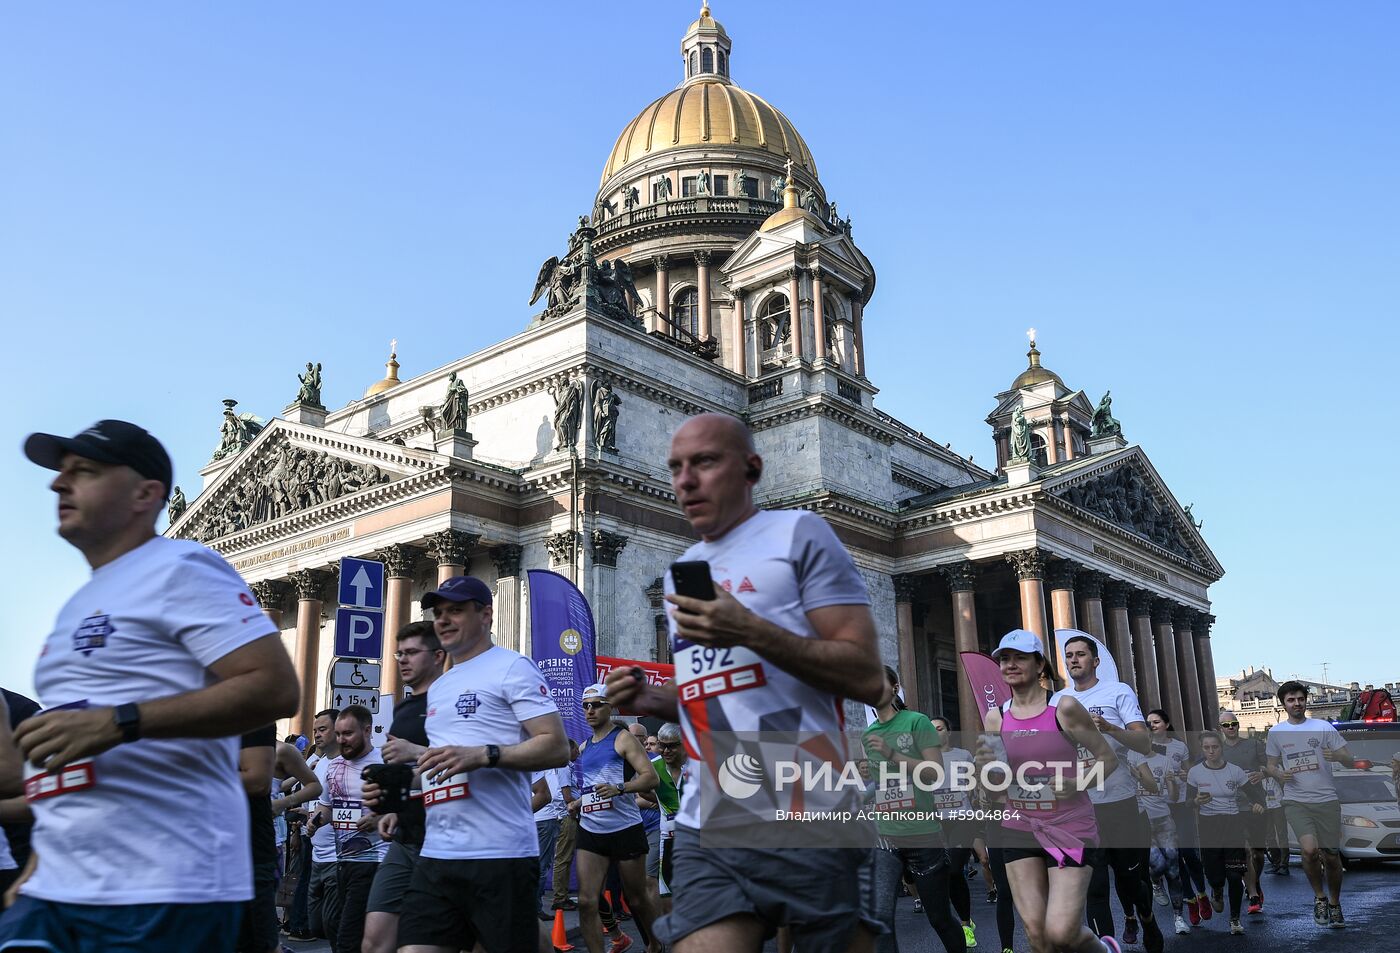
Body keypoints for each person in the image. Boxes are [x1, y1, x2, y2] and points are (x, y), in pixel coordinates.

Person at [0, 419, 299, 952]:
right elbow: (79, 757)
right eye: (61, 472)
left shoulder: (183, 567)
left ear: (146, 493)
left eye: (85, 472)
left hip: (164, 886)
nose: (58, 484)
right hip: (61, 886)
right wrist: (43, 860)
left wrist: (122, 722)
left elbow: (274, 688)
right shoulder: (78, 604)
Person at [605, 412, 885, 953]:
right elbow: (716, 694)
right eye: (676, 467)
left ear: (752, 468)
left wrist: (751, 629)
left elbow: (868, 678)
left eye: (705, 462)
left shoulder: (799, 534)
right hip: (710, 816)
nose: (686, 480)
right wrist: (654, 698)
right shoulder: (683, 570)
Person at [396, 574, 570, 953]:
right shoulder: (441, 684)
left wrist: (484, 755)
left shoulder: (512, 667)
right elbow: (445, 764)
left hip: (499, 853)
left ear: (486, 615)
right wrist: (405, 787)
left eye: (455, 610)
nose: (442, 619)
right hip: (437, 852)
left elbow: (557, 747)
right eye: (438, 612)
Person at [974, 630, 1119, 953]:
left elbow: (1107, 760)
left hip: (1069, 825)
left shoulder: (1063, 707)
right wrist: (984, 769)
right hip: (1018, 828)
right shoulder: (996, 717)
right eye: (1005, 658)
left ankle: (1105, 950)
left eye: (1020, 657)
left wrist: (1076, 783)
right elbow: (994, 782)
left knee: (1061, 932)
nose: (1010, 664)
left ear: (1040, 664)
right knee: (1037, 935)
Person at [1052, 632, 1162, 953]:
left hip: (1121, 803)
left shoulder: (1117, 692)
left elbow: (1144, 743)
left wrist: (1111, 728)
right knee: (1094, 888)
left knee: (1132, 884)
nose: (1074, 659)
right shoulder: (1057, 702)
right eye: (1069, 655)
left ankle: (1147, 918)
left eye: (1080, 654)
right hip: (1081, 810)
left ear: (1095, 661)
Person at [863, 666, 964, 953]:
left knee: (940, 918)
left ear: (895, 688)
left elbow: (934, 773)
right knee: (880, 920)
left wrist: (892, 754)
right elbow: (881, 782)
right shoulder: (869, 734)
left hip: (922, 834)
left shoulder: (917, 722)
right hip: (885, 838)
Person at [360, 622, 446, 953]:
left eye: (411, 653)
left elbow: (465, 765)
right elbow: (407, 775)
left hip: (445, 841)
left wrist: (416, 755)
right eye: (399, 653)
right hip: (406, 837)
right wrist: (393, 808)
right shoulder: (404, 710)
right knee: (374, 942)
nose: (402, 660)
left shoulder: (452, 703)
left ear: (438, 656)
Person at [573, 685, 660, 953]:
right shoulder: (584, 747)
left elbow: (651, 778)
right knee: (587, 901)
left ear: (610, 707)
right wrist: (578, 802)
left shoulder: (622, 738)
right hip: (591, 829)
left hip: (624, 828)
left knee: (635, 898)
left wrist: (620, 787)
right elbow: (592, 788)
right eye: (586, 705)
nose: (590, 710)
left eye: (597, 704)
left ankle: (655, 945)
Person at [1265, 680, 1354, 929]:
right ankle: (1320, 897)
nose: (1297, 704)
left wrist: (1337, 755)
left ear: (1306, 700)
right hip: (1296, 800)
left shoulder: (1323, 727)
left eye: (1300, 699)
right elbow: (1271, 765)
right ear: (1283, 704)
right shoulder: (1276, 733)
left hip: (1326, 799)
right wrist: (1277, 774)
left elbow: (1350, 759)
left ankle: (1335, 903)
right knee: (1309, 850)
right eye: (1291, 700)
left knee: (1332, 857)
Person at [310, 705, 389, 953]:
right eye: (339, 734)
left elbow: (410, 805)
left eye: (348, 734)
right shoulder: (333, 767)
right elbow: (327, 807)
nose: (341, 740)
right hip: (341, 861)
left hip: (376, 860)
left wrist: (380, 818)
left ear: (367, 731)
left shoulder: (385, 762)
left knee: (348, 936)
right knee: (335, 927)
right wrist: (315, 821)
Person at [1186, 730, 1265, 935]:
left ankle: (1235, 919)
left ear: (1221, 748)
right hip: (1209, 826)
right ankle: (1217, 890)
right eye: (1207, 748)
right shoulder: (1195, 773)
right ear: (1202, 749)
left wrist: (1258, 804)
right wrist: (1195, 802)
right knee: (1216, 876)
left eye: (1215, 747)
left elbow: (1255, 794)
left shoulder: (1235, 771)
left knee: (1234, 873)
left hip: (1233, 825)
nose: (1211, 751)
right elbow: (1187, 802)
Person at [929, 714, 990, 950]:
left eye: (939, 728)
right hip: (936, 821)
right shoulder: (923, 758)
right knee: (944, 873)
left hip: (962, 817)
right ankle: (963, 919)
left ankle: (965, 925)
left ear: (948, 731)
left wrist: (979, 804)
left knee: (955, 869)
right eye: (931, 729)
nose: (935, 732)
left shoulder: (963, 756)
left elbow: (976, 783)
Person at [1144, 708, 1207, 926]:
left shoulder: (1179, 747)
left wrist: (1184, 774)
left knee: (1189, 852)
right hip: (1160, 807)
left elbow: (1191, 772)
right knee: (1175, 858)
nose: (1152, 725)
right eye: (1149, 722)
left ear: (1167, 724)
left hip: (1180, 804)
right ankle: (1189, 903)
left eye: (1157, 721)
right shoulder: (1144, 748)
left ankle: (1202, 893)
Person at [1123, 735, 1188, 935]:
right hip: (1142, 821)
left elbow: (1174, 797)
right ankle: (1155, 882)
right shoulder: (1126, 759)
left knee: (1174, 869)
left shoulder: (1163, 760)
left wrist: (1172, 783)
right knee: (1158, 864)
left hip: (1164, 818)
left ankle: (1178, 918)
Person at [1217, 709, 1269, 913]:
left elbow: (1270, 766)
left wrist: (1261, 773)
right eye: (1226, 725)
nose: (1231, 728)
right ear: (1219, 728)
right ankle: (1253, 892)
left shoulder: (1254, 745)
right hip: (1232, 806)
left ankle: (1255, 883)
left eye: (1234, 724)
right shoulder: (1217, 750)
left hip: (1256, 804)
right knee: (1245, 849)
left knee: (1257, 853)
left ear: (1238, 725)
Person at [654, 724, 687, 914]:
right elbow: (641, 790)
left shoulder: (699, 765)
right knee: (667, 896)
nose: (666, 751)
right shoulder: (653, 766)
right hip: (668, 837)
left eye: (672, 746)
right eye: (662, 745)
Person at [551, 739, 583, 915]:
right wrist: (574, 805)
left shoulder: (566, 766)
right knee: (563, 856)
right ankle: (559, 898)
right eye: (576, 749)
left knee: (566, 855)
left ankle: (561, 895)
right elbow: (566, 794)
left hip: (569, 813)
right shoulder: (563, 766)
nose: (578, 752)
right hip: (567, 814)